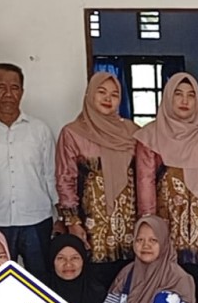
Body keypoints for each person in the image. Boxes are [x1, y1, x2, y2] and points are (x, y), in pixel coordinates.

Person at [0, 63, 57, 277]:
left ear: (22, 91)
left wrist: (62, 218)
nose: (8, 94)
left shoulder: (39, 130)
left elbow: (51, 176)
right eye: (1, 87)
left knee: (41, 281)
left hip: (37, 221)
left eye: (14, 88)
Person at [55, 72, 139, 290]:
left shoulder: (132, 132)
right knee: (93, 287)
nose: (108, 99)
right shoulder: (73, 133)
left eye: (114, 94)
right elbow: (65, 179)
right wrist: (73, 222)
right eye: (101, 92)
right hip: (91, 227)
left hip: (129, 227)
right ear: (90, 94)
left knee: (127, 287)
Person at [135, 74, 198, 296]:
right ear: (168, 97)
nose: (185, 101)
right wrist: (150, 228)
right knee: (165, 292)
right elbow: (145, 183)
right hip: (165, 227)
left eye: (191, 95)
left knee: (197, 288)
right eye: (178, 94)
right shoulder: (149, 136)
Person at [46, 233, 106, 303]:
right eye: (61, 258)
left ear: (83, 261)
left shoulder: (97, 293)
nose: (68, 264)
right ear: (52, 262)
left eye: (74, 258)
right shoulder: (39, 293)